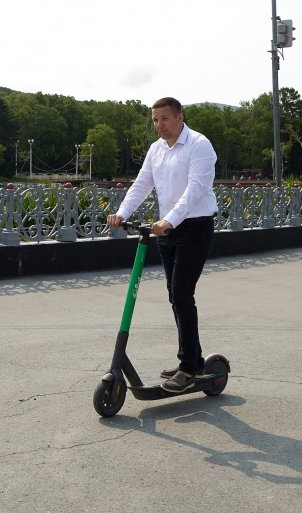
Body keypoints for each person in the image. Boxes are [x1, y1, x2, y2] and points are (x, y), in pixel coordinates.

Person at [107, 97, 218, 393]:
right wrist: (122, 213)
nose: (160, 125)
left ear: (180, 117)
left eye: (165, 119)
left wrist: (169, 220)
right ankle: (192, 360)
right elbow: (142, 184)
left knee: (182, 294)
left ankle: (188, 368)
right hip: (166, 231)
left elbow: (196, 189)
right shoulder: (156, 150)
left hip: (194, 227)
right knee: (175, 295)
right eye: (155, 120)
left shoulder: (199, 145)